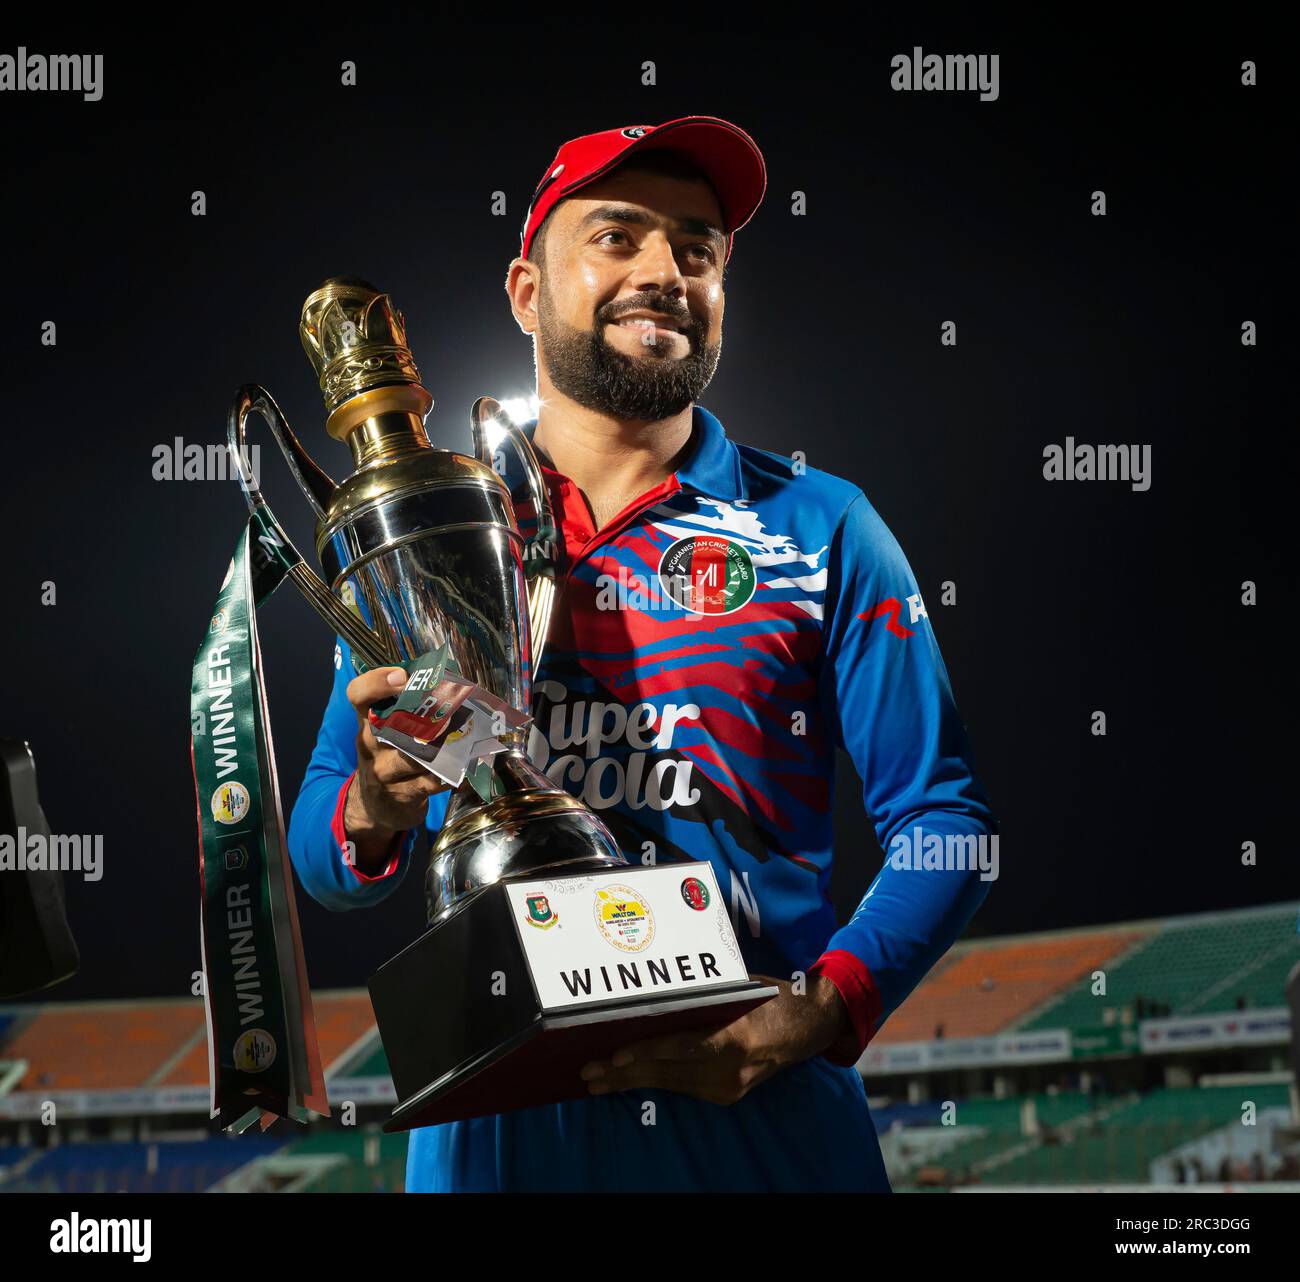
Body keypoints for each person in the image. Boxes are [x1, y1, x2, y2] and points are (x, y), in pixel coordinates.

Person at [288, 115, 998, 1192]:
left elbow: (946, 825)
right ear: (527, 291)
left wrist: (817, 1007)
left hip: (767, 1130)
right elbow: (321, 850)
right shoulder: (436, 535)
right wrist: (378, 805)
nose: (664, 270)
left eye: (697, 249)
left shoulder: (823, 525)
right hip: (502, 1135)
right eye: (617, 238)